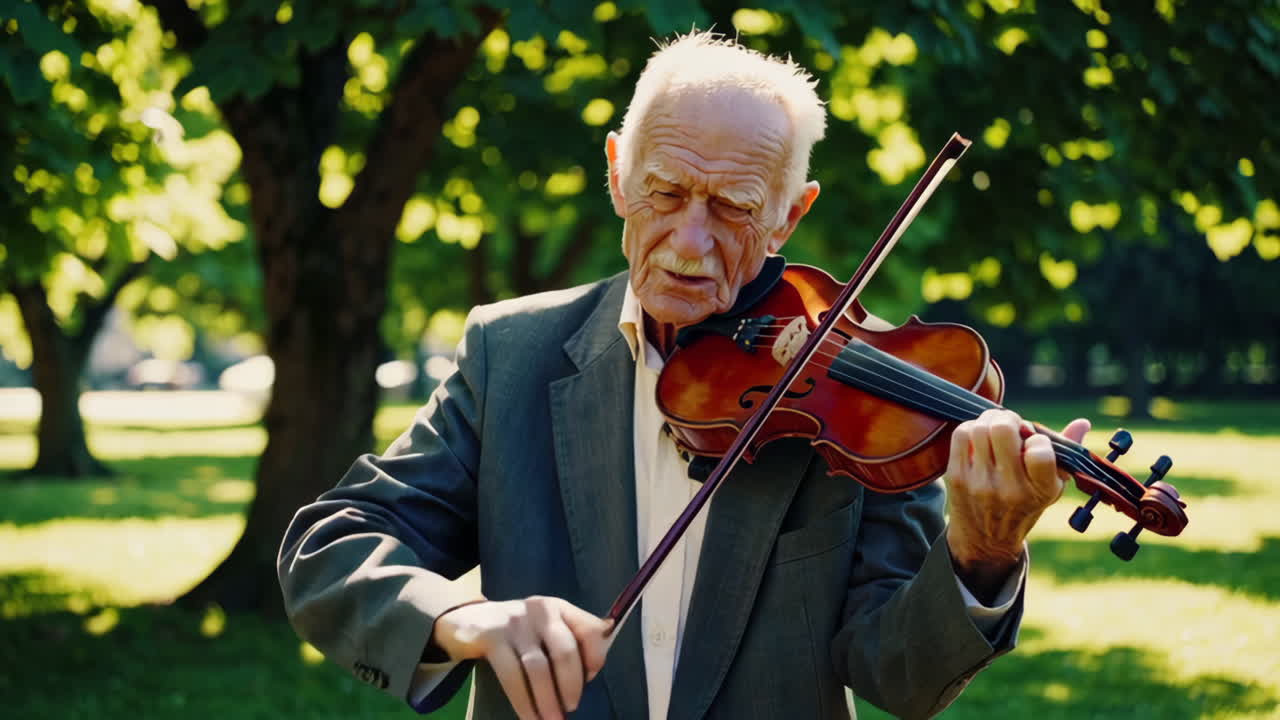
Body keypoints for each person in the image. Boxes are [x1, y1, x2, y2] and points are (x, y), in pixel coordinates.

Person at [277, 32, 1090, 720]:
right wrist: (466, 617)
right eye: (664, 192)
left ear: (790, 214)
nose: (690, 242)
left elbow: (897, 674)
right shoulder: (510, 355)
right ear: (618, 175)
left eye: (734, 207)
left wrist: (980, 553)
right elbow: (330, 551)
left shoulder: (863, 405)